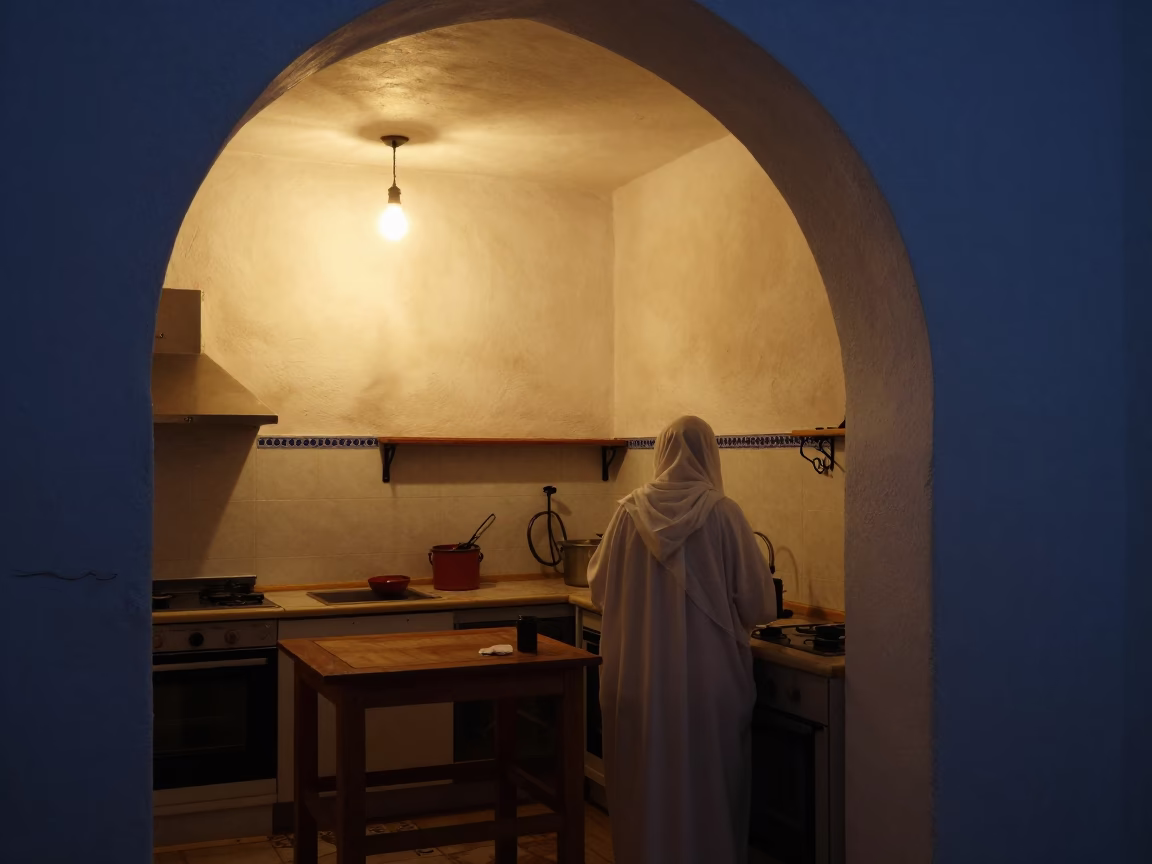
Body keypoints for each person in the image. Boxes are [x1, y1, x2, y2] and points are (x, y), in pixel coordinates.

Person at [586, 415, 772, 864]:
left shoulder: (628, 512)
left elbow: (598, 587)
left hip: (638, 681)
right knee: (705, 788)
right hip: (705, 689)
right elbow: (760, 604)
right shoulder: (722, 514)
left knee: (645, 785)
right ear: (710, 453)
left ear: (661, 454)